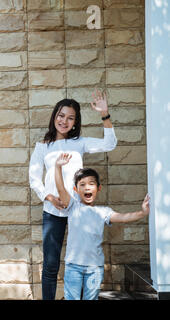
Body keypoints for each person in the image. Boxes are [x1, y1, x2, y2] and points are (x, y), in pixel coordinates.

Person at [29, 92, 118, 300]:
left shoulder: (80, 143)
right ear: (54, 117)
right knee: (51, 264)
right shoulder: (43, 146)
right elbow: (34, 178)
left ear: (75, 122)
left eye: (70, 117)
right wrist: (48, 197)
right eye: (61, 116)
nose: (64, 121)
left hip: (78, 212)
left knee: (80, 261)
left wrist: (104, 114)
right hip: (53, 211)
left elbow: (110, 144)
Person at [54, 153, 150, 300]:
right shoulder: (73, 206)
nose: (87, 187)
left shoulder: (103, 212)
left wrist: (143, 213)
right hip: (73, 265)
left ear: (98, 188)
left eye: (91, 183)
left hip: (94, 268)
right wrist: (57, 167)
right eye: (82, 184)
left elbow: (123, 218)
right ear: (76, 189)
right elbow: (60, 189)